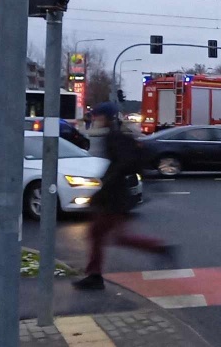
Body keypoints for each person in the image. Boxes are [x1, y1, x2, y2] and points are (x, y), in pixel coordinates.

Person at [73, 102, 175, 290]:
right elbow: (121, 164)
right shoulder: (115, 136)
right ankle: (159, 248)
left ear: (106, 117)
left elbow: (120, 165)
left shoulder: (114, 137)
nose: (95, 118)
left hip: (114, 196)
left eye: (98, 115)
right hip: (117, 195)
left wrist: (103, 188)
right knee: (115, 237)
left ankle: (95, 276)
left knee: (98, 234)